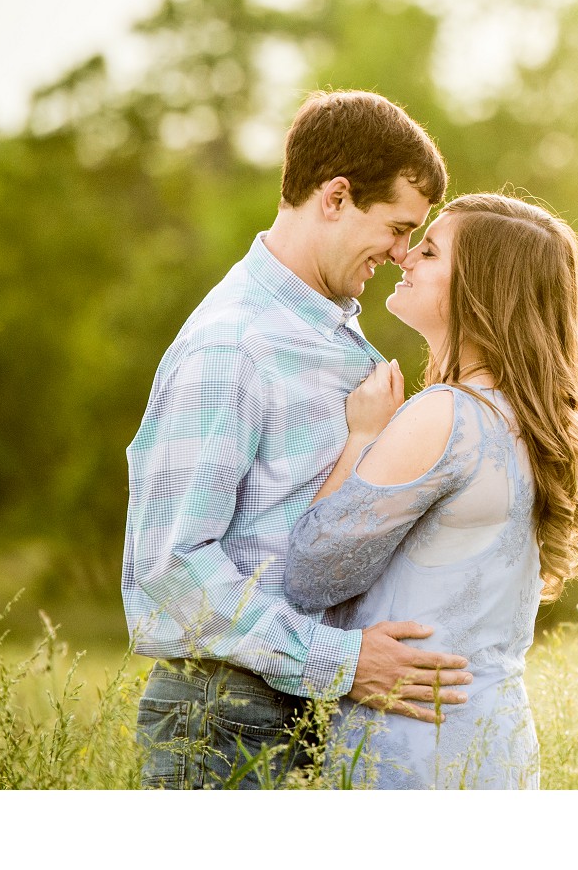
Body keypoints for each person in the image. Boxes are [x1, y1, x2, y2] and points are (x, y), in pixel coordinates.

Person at [122, 89, 473, 789]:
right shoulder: (234, 344)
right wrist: (339, 661)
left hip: (312, 711)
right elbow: (171, 569)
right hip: (224, 721)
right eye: (399, 227)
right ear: (336, 197)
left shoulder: (337, 337)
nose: (403, 253)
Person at [283, 191, 578, 788]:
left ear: (479, 291)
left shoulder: (444, 416)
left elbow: (310, 573)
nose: (404, 256)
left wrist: (362, 435)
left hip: (414, 750)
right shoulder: (534, 423)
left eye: (428, 251)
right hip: (495, 745)